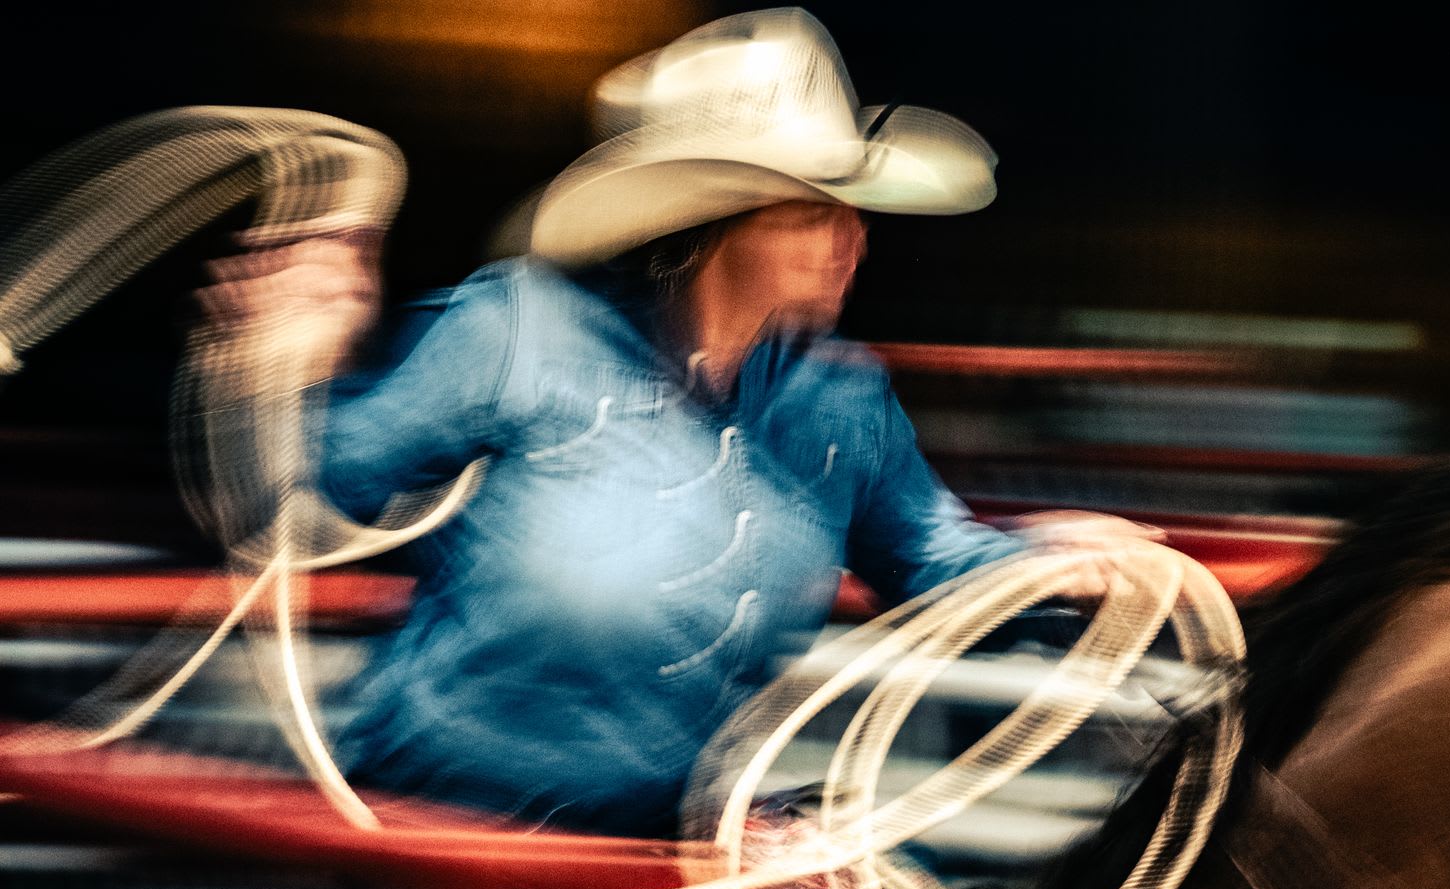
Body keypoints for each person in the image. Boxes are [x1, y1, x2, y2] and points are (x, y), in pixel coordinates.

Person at [205, 8, 1029, 841]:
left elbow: (933, 556)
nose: (852, 238)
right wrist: (290, 362)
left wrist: (1070, 568)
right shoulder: (521, 331)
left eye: (848, 208)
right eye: (809, 212)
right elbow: (319, 482)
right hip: (451, 829)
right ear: (713, 221)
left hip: (671, 840)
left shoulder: (839, 400)